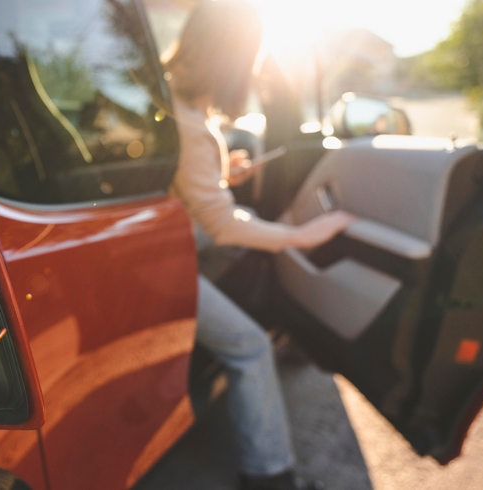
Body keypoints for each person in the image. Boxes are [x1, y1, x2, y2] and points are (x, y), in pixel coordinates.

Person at [162, 1, 356, 489]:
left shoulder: (172, 100)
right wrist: (300, 236)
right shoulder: (188, 122)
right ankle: (269, 477)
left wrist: (224, 174)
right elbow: (223, 227)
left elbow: (181, 184)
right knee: (249, 346)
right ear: (228, 59)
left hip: (172, 238)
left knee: (250, 235)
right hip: (163, 261)